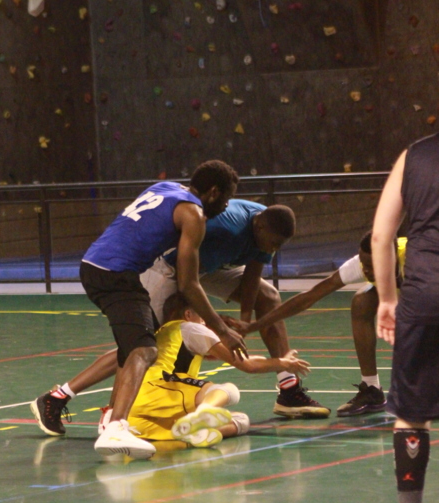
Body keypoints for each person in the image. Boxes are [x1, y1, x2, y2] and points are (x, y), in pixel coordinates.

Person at [31, 160, 247, 458]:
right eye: (225, 199)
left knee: (133, 347)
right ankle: (116, 425)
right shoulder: (193, 214)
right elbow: (189, 284)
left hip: (97, 264)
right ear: (213, 192)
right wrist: (222, 331)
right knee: (144, 350)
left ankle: (80, 406)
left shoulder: (165, 188)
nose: (224, 207)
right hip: (115, 273)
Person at [141, 198, 330, 419]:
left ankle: (289, 391)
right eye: (274, 244)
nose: (274, 249)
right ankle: (134, 401)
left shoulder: (269, 225)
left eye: (279, 246)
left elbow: (252, 277)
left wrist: (244, 325)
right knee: (156, 335)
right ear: (259, 227)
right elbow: (188, 283)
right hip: (169, 265)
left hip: (205, 266)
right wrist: (219, 328)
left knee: (268, 296)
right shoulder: (226, 232)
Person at [224, 231, 407, 417]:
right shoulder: (360, 265)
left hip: (420, 298)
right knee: (362, 302)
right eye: (363, 264)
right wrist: (254, 325)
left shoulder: (415, 261)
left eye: (370, 266)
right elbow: (309, 297)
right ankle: (371, 389)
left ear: (389, 259)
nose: (365, 270)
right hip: (404, 291)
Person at [127, 292, 311, 449]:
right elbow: (246, 364)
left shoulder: (162, 334)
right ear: (188, 314)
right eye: (203, 316)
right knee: (228, 391)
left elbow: (240, 357)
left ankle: (193, 433)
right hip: (157, 389)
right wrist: (283, 363)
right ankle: (203, 412)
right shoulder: (191, 328)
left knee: (241, 420)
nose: (205, 322)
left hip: (138, 408)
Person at [372, 134, 439, 503]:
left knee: (412, 413)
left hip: (425, 296)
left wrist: (387, 298)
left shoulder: (414, 155)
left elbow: (381, 236)